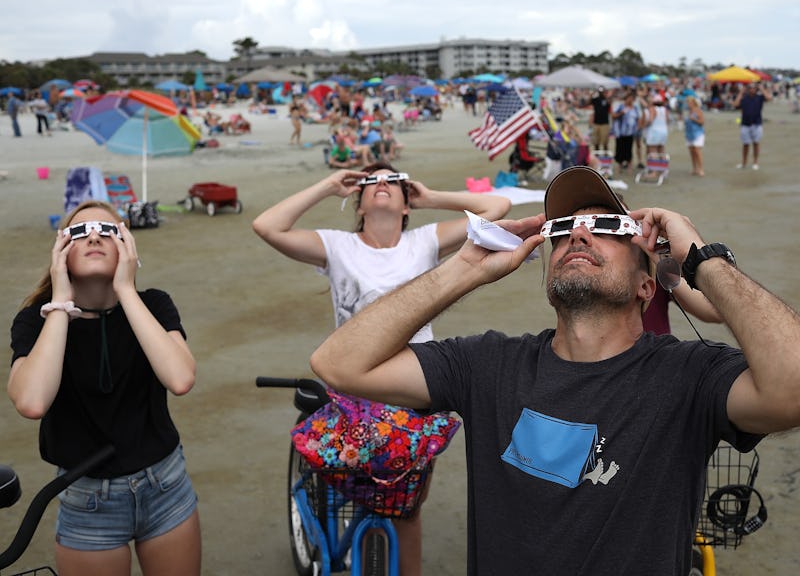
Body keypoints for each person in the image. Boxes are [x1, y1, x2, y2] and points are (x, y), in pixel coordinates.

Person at [309, 164, 800, 575]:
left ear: (646, 287)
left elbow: (791, 389)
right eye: (562, 229)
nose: (579, 232)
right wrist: (465, 269)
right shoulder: (487, 364)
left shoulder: (687, 376)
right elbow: (339, 364)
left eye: (607, 228)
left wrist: (701, 258)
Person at [252, 163, 511, 576]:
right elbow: (267, 226)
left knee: (407, 510)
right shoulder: (338, 245)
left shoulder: (424, 240)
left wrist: (431, 198)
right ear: (360, 201)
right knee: (356, 490)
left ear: (407, 204)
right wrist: (326, 186)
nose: (383, 185)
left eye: (394, 180)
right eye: (372, 182)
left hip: (415, 388)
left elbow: (496, 206)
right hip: (355, 387)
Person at [8, 200, 201, 576]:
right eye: (79, 232)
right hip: (88, 498)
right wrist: (61, 303)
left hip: (165, 485)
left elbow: (180, 378)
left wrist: (126, 290)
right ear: (60, 250)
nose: (94, 235)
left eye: (108, 230)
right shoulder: (36, 319)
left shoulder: (153, 304)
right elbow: (32, 402)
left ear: (127, 246)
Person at [734, 81, 772, 170]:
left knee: (756, 143)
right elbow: (735, 104)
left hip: (757, 123)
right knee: (745, 144)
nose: (752, 89)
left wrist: (762, 89)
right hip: (745, 124)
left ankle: (755, 162)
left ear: (756, 89)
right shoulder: (744, 98)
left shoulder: (759, 98)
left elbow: (769, 98)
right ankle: (744, 163)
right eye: (750, 88)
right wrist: (741, 92)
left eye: (754, 88)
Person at [610, 91, 640, 174]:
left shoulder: (635, 108)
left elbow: (637, 118)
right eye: (628, 98)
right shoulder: (621, 107)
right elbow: (613, 116)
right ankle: (619, 166)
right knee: (620, 149)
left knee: (629, 149)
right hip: (620, 132)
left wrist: (637, 128)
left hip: (630, 133)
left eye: (631, 98)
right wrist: (621, 113)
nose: (630, 100)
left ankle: (629, 165)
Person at [684, 95, 706, 177]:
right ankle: (694, 168)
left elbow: (702, 122)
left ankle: (701, 168)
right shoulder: (688, 112)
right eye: (687, 102)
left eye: (689, 102)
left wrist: (694, 119)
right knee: (692, 151)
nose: (688, 104)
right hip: (689, 133)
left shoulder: (698, 111)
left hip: (698, 133)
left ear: (693, 103)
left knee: (697, 150)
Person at [588, 86, 611, 151]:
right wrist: (591, 94)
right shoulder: (595, 99)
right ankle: (597, 155)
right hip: (596, 123)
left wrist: (606, 96)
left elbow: (609, 105)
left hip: (605, 123)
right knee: (596, 141)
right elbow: (588, 102)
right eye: (600, 91)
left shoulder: (606, 100)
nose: (601, 93)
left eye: (602, 91)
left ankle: (605, 154)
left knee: (605, 142)